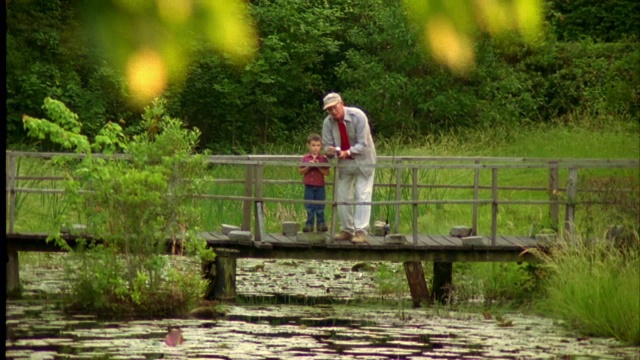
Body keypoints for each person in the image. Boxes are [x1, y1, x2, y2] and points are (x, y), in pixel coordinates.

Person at [321, 92, 376, 243]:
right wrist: (330, 151)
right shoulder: (328, 123)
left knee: (362, 194)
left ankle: (361, 231)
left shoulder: (358, 116)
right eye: (329, 109)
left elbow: (363, 144)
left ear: (341, 103)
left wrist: (348, 152)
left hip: (363, 160)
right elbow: (326, 145)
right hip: (344, 163)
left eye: (334, 107)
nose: (333, 111)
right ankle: (347, 229)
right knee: (343, 195)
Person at [299, 133, 330, 233]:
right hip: (309, 186)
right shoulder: (305, 158)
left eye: (318, 145)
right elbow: (300, 171)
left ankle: (321, 224)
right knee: (309, 206)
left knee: (320, 206)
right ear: (308, 145)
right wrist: (309, 166)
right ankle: (309, 225)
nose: (315, 148)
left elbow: (327, 172)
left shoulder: (323, 159)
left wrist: (318, 166)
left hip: (320, 185)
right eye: (313, 145)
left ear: (321, 146)